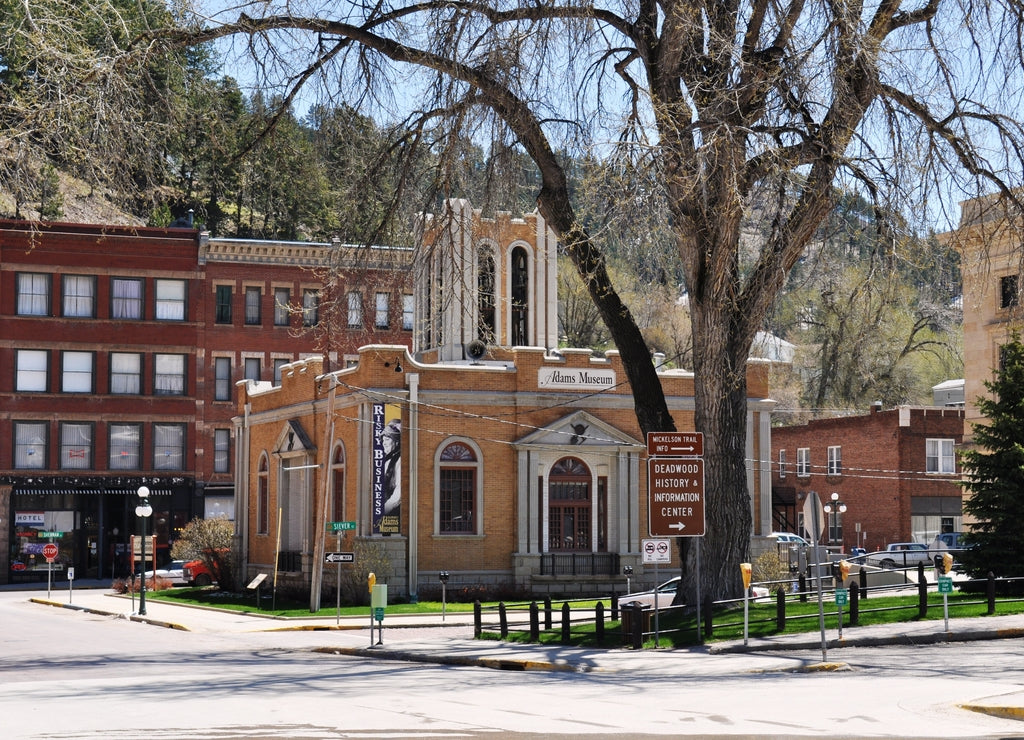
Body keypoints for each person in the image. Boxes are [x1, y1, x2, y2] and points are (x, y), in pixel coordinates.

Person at [381, 420, 402, 514]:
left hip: (393, 513)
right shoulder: (387, 461)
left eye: (387, 440)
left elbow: (398, 494)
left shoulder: (400, 461)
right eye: (383, 440)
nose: (384, 443)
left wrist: (383, 511)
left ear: (396, 441)